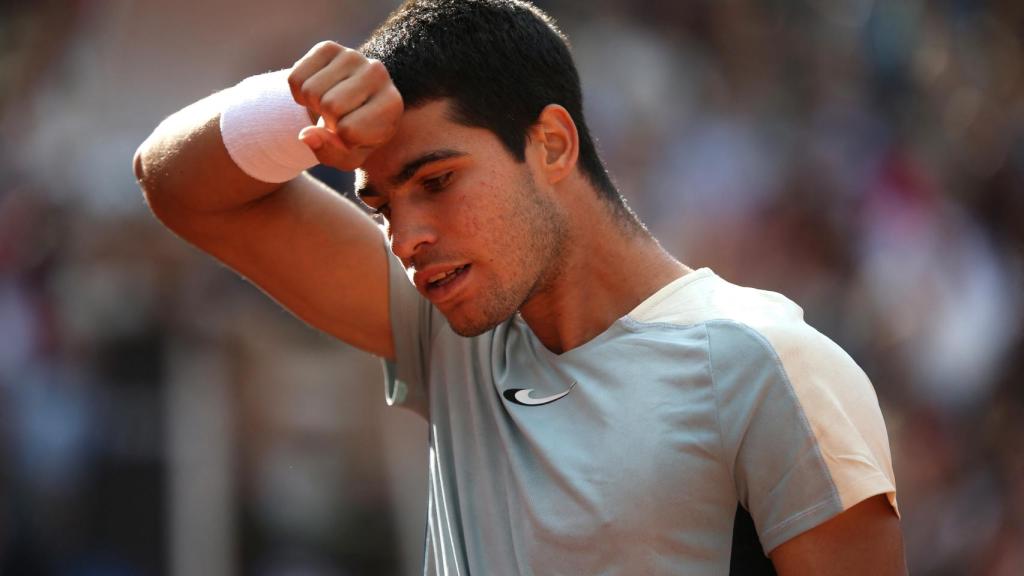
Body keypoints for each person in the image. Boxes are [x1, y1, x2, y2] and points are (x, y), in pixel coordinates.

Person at [133, 0, 906, 573]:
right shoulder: (448, 323)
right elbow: (174, 184)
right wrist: (294, 104)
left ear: (552, 144)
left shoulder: (767, 365)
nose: (405, 238)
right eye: (383, 205)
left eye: (435, 181)